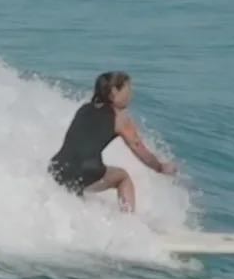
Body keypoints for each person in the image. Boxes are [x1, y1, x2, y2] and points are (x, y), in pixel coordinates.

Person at [47, 71, 176, 212]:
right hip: (87, 170)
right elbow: (138, 148)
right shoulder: (120, 117)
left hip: (57, 167)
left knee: (74, 190)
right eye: (128, 89)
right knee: (123, 178)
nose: (131, 94)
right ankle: (129, 224)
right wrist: (160, 167)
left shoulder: (84, 109)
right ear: (114, 91)